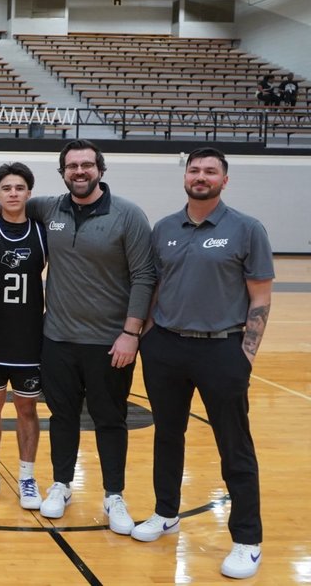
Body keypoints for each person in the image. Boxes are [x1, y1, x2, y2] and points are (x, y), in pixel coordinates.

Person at [0, 139, 156, 534]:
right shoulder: (49, 209)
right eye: (72, 166)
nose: (80, 171)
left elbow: (144, 276)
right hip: (56, 338)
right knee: (63, 417)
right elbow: (6, 201)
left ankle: (114, 495)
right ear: (63, 173)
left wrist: (131, 333)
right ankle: (60, 484)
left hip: (110, 341)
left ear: (100, 170)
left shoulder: (128, 215)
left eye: (87, 165)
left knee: (109, 419)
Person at [131, 148, 273, 580]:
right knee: (167, 437)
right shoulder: (165, 228)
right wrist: (150, 336)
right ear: (186, 177)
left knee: (235, 446)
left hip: (222, 350)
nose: (201, 176)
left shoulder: (247, 229)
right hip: (166, 348)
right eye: (194, 169)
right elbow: (155, 286)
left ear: (224, 180)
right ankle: (165, 513)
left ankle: (247, 540)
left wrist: (244, 355)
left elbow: (261, 297)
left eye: (211, 171)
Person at [0, 162, 46, 512]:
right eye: (6, 189)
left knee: (27, 408)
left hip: (31, 337)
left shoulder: (43, 231)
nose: (13, 193)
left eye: (19, 188)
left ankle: (27, 478)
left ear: (29, 193)